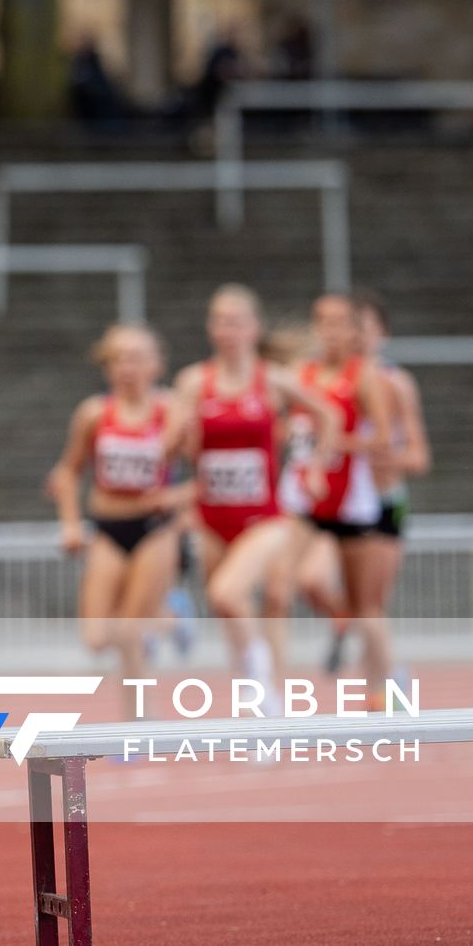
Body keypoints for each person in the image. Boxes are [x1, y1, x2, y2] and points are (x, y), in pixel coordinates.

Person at [165, 287, 337, 702]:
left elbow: (327, 415)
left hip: (264, 517)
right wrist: (181, 431)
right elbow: (169, 451)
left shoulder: (273, 379)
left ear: (254, 328)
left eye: (237, 321)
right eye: (221, 320)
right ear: (211, 328)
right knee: (229, 611)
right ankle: (257, 703)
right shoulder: (192, 382)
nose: (229, 330)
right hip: (212, 517)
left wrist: (317, 466)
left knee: (240, 594)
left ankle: (268, 686)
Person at [262, 294, 396, 703]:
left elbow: (383, 438)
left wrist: (335, 439)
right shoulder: (301, 372)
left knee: (366, 608)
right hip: (303, 497)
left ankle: (384, 690)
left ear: (356, 331)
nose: (330, 331)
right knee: (278, 587)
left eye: (340, 323)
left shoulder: (365, 375)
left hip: (351, 501)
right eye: (322, 321)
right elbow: (282, 424)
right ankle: (274, 691)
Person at [45, 325, 182, 701]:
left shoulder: (172, 410)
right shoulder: (93, 413)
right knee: (97, 638)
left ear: (156, 364)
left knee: (127, 632)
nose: (127, 367)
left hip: (155, 529)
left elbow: (205, 469)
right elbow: (68, 472)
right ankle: (169, 616)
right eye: (118, 358)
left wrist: (178, 497)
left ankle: (138, 727)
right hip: (108, 526)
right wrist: (70, 524)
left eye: (136, 358)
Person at [356, 290, 429, 692]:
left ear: (382, 332)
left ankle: (383, 689)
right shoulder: (334, 383)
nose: (357, 338)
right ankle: (384, 679)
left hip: (385, 503)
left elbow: (418, 457)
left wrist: (378, 458)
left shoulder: (396, 383)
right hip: (340, 508)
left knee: (371, 606)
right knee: (336, 592)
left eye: (365, 329)